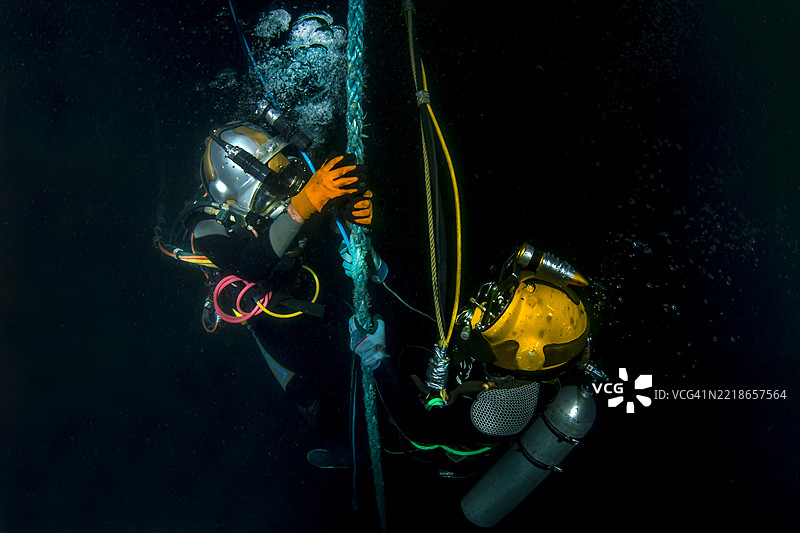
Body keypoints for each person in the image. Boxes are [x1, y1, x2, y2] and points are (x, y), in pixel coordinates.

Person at [158, 118, 374, 467]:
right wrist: (305, 203)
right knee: (304, 392)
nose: (287, 192)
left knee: (359, 347)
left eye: (286, 178)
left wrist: (349, 208)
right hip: (268, 317)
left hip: (312, 285)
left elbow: (315, 211)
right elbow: (247, 264)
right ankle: (333, 445)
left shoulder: (286, 198)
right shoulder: (206, 226)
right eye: (272, 190)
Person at [345, 242, 601, 470]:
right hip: (453, 385)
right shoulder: (506, 336)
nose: (480, 315)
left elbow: (419, 429)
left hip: (444, 437)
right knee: (411, 357)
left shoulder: (501, 412)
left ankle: (365, 456)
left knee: (397, 440)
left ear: (522, 355)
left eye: (495, 321)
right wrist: (382, 271)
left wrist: (375, 358)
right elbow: (440, 311)